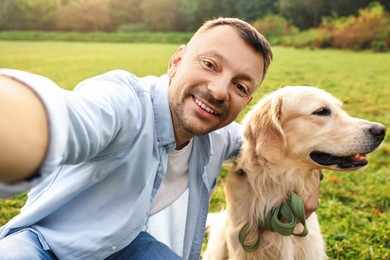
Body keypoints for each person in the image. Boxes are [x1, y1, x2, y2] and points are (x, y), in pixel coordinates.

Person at [0, 17, 319, 259]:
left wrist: (309, 180)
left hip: (125, 246)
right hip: (43, 243)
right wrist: (23, 121)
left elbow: (272, 145)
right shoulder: (123, 102)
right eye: (210, 64)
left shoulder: (219, 137)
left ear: (246, 102)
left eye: (240, 86)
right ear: (176, 61)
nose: (219, 90)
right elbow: (71, 117)